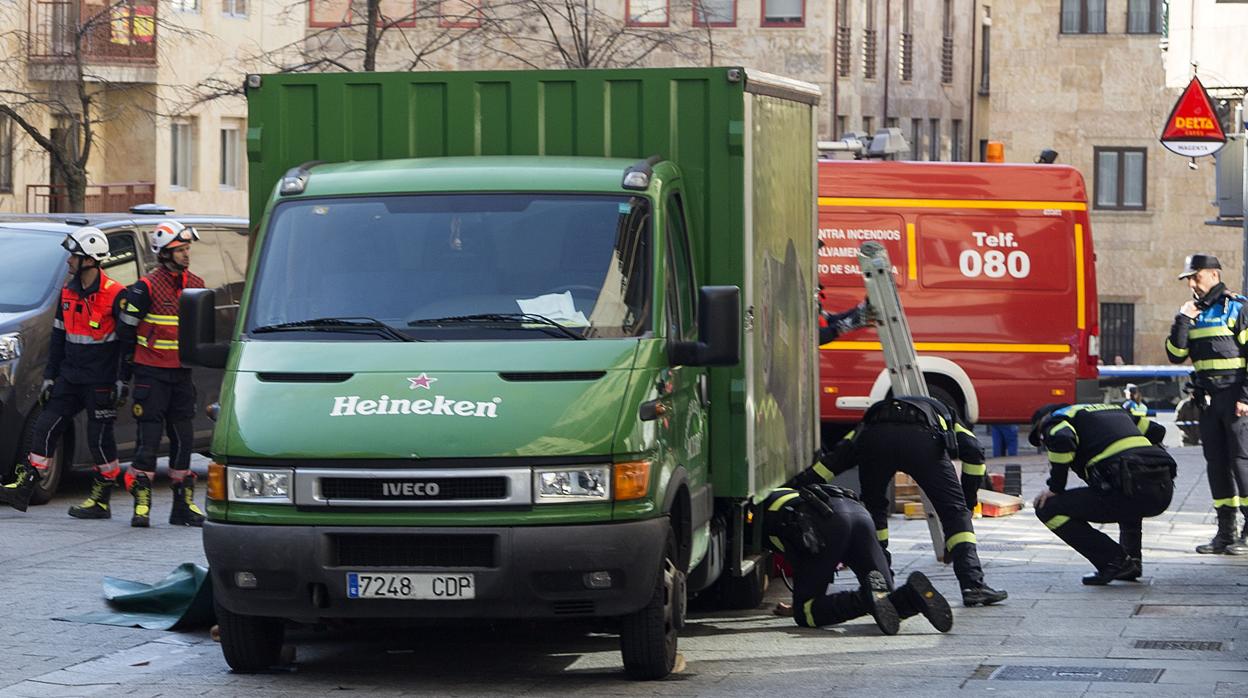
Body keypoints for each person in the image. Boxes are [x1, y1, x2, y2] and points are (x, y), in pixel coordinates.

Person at [798, 396, 1008, 607]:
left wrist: (796, 485)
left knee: (875, 511)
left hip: (875, 440)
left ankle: (880, 583)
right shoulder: (946, 413)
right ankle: (973, 585)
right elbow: (974, 449)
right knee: (955, 514)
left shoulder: (873, 420)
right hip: (923, 439)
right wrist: (967, 504)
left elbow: (837, 458)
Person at [1, 229, 126, 514]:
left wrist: (122, 378)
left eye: (75, 256)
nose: (69, 261)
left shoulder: (116, 295)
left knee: (98, 438)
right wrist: (49, 376)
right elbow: (58, 339)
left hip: (101, 379)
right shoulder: (68, 292)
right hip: (70, 376)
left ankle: (101, 497)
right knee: (45, 427)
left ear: (90, 260)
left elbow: (126, 343)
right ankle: (25, 486)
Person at [761, 483, 953, 634]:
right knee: (883, 595)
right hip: (860, 514)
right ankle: (911, 597)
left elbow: (805, 561)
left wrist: (799, 605)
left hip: (822, 521)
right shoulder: (789, 491)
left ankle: (865, 599)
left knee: (805, 614)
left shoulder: (757, 512)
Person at [116, 221, 206, 528]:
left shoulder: (195, 283)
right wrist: (123, 376)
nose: (185, 254)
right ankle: (142, 506)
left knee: (184, 440)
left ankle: (182, 506)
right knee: (148, 441)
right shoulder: (145, 287)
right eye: (180, 250)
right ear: (164, 253)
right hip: (150, 374)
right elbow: (126, 333)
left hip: (181, 375)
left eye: (186, 249)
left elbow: (201, 332)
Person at [1030, 403, 1176, 583]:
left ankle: (1114, 561)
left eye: (1042, 438)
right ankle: (1132, 561)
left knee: (1047, 508)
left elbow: (1062, 438)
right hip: (1163, 489)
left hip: (1131, 489)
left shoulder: (1058, 419)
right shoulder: (1113, 410)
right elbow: (1156, 430)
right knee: (1122, 484)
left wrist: (1055, 487)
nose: (1045, 443)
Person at [1164, 254, 1248, 554]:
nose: (1191, 283)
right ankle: (1225, 533)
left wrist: (1245, 397)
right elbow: (1175, 353)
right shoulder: (1193, 312)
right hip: (1208, 400)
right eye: (1187, 278)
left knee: (1241, 464)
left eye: (1195, 276)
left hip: (1236, 397)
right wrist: (1183, 319)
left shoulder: (1236, 307)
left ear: (1213, 274)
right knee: (1217, 465)